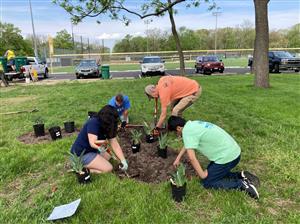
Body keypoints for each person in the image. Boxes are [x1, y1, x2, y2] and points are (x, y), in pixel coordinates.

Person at [168, 115, 260, 199]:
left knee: (207, 182)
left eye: (175, 132)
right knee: (213, 175)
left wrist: (202, 175)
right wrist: (178, 158)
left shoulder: (187, 132)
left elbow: (192, 158)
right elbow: (188, 144)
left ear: (178, 128)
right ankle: (240, 175)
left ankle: (242, 185)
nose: (177, 135)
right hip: (233, 152)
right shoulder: (192, 125)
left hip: (228, 157)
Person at [70, 105, 128, 173]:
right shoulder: (93, 122)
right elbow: (92, 142)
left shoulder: (108, 125)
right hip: (81, 154)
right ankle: (80, 169)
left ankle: (94, 162)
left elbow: (114, 144)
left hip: (92, 151)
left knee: (109, 154)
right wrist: (102, 144)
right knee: (108, 168)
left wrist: (123, 160)